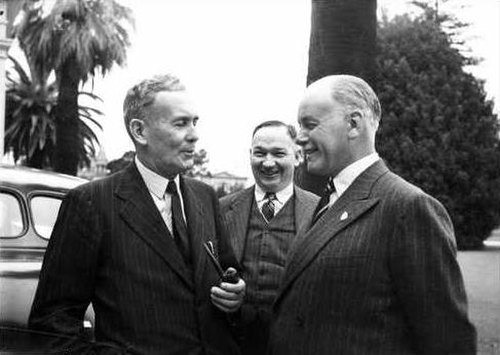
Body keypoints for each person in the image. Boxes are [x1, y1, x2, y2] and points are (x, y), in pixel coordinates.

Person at [29, 74, 245, 355]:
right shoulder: (90, 203)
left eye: (194, 122)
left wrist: (235, 294)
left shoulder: (205, 196)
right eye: (180, 123)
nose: (194, 134)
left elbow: (228, 274)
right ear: (140, 131)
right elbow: (52, 324)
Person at [268, 75, 477, 355]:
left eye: (310, 125)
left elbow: (447, 340)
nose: (300, 139)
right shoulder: (328, 200)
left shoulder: (408, 208)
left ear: (353, 124)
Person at [220, 120, 319, 355]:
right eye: (260, 153)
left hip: (295, 344)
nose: (267, 162)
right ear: (250, 156)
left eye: (278, 153)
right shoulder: (222, 209)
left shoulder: (320, 211)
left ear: (297, 156)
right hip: (233, 341)